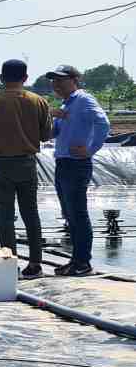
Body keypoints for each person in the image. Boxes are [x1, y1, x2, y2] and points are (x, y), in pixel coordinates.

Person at [0, 59, 52, 278]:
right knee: (31, 214)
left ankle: (10, 264)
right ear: (25, 78)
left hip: (2, 164)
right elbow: (46, 135)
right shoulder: (39, 101)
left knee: (5, 216)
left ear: (1, 78)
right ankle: (35, 264)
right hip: (27, 163)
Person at [42, 65, 112, 276]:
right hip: (63, 163)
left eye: (61, 80)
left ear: (74, 80)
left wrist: (90, 149)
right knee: (69, 214)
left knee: (78, 214)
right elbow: (52, 133)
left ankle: (83, 262)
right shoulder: (66, 104)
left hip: (77, 164)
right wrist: (49, 116)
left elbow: (103, 123)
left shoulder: (83, 99)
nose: (56, 84)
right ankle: (76, 260)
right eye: (54, 81)